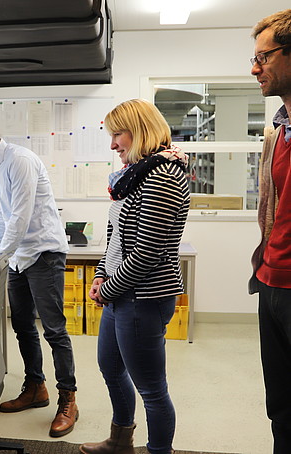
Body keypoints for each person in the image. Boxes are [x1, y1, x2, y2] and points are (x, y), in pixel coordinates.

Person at [0, 113, 78, 437]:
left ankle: (68, 400)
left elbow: (19, 219)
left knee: (54, 330)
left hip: (44, 253)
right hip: (20, 257)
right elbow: (3, 219)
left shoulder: (20, 161)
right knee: (21, 325)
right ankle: (36, 387)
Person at [79, 99, 190, 454]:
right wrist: (100, 275)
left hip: (143, 299)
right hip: (121, 295)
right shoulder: (138, 173)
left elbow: (146, 254)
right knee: (111, 369)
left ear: (140, 130)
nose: (113, 145)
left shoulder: (164, 176)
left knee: (152, 389)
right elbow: (116, 238)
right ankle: (119, 441)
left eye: (117, 134)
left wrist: (107, 288)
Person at [248, 10, 291, 454]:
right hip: (272, 281)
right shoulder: (276, 134)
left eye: (264, 56)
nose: (255, 68)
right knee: (279, 406)